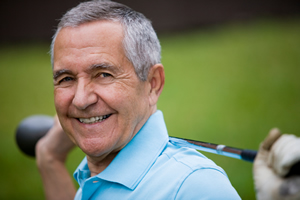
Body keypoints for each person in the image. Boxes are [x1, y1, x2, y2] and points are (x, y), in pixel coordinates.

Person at [35, 0, 300, 199]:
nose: (81, 100)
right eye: (66, 79)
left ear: (153, 84)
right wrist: (50, 159)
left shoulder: (193, 186)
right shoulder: (91, 176)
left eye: (103, 74)